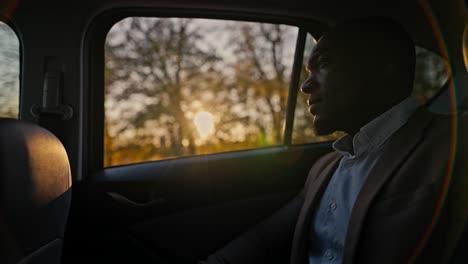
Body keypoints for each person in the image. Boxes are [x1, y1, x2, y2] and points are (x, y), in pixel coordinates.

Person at [201, 17, 468, 264]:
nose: (305, 86)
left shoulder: (455, 144)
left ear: (386, 67)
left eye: (324, 63)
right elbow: (265, 238)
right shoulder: (324, 168)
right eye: (307, 71)